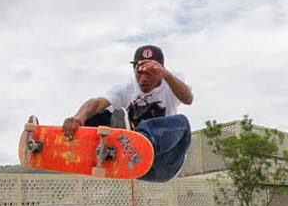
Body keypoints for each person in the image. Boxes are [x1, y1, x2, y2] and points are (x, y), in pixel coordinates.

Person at [63, 45, 194, 182]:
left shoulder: (171, 82)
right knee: (97, 115)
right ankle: (91, 149)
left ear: (161, 71)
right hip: (133, 165)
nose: (143, 79)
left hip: (163, 164)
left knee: (182, 122)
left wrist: (166, 75)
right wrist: (78, 118)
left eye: (150, 73)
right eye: (139, 72)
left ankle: (140, 142)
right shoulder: (126, 88)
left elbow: (188, 99)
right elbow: (97, 103)